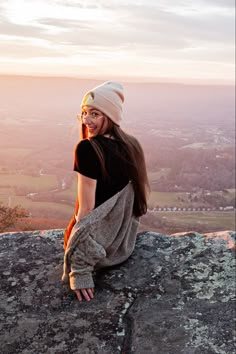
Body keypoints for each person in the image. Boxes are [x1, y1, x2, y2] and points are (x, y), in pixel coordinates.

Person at [62, 81, 149, 302]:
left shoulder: (87, 149)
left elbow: (86, 211)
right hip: (122, 245)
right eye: (84, 113)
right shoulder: (133, 145)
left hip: (97, 251)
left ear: (110, 116)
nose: (86, 120)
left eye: (95, 113)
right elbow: (136, 206)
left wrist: (80, 269)